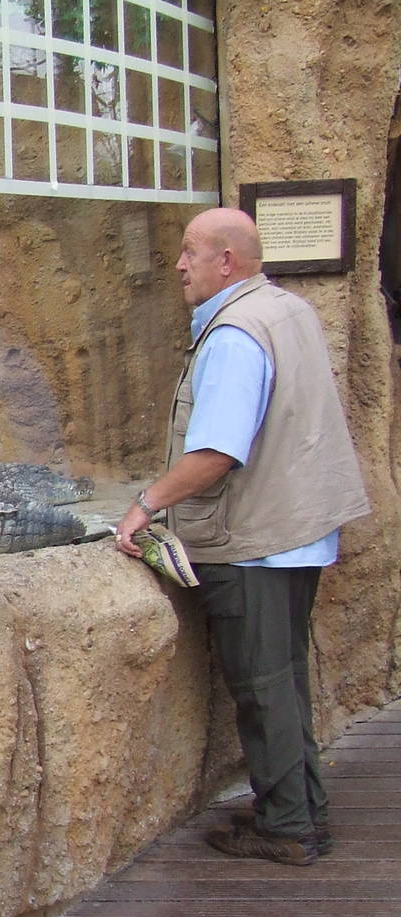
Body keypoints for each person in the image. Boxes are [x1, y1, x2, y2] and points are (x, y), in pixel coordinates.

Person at [113, 207, 370, 866]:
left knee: (261, 689)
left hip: (256, 539)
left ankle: (286, 828)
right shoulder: (289, 310)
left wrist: (147, 504)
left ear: (225, 261)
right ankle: (303, 810)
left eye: (190, 252)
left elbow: (216, 453)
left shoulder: (234, 335)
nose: (178, 265)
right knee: (284, 681)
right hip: (301, 532)